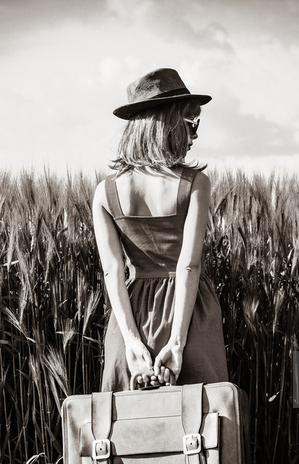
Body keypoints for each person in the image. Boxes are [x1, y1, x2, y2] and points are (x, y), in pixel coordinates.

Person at [92, 68, 229, 392]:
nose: (195, 133)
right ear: (167, 122)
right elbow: (188, 265)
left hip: (131, 317)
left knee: (128, 430)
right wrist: (178, 343)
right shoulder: (195, 184)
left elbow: (112, 272)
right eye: (190, 121)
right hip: (190, 315)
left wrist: (132, 343)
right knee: (202, 423)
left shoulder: (105, 192)